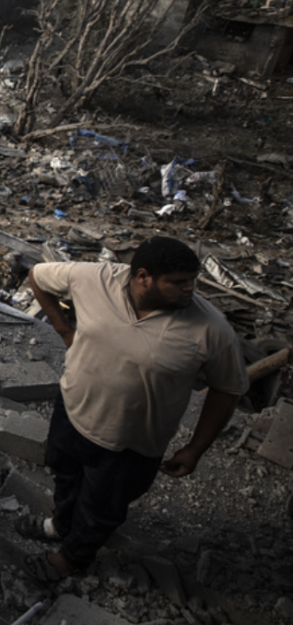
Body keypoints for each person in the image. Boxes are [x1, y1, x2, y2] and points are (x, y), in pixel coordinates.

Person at [24, 236, 248, 582]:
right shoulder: (94, 279)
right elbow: (37, 276)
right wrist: (64, 330)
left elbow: (227, 389)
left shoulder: (212, 330)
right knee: (66, 475)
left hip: (130, 443)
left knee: (103, 507)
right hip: (73, 412)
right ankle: (60, 525)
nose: (190, 289)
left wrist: (196, 448)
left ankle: (72, 558)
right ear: (143, 277)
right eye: (178, 282)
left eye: (193, 280)